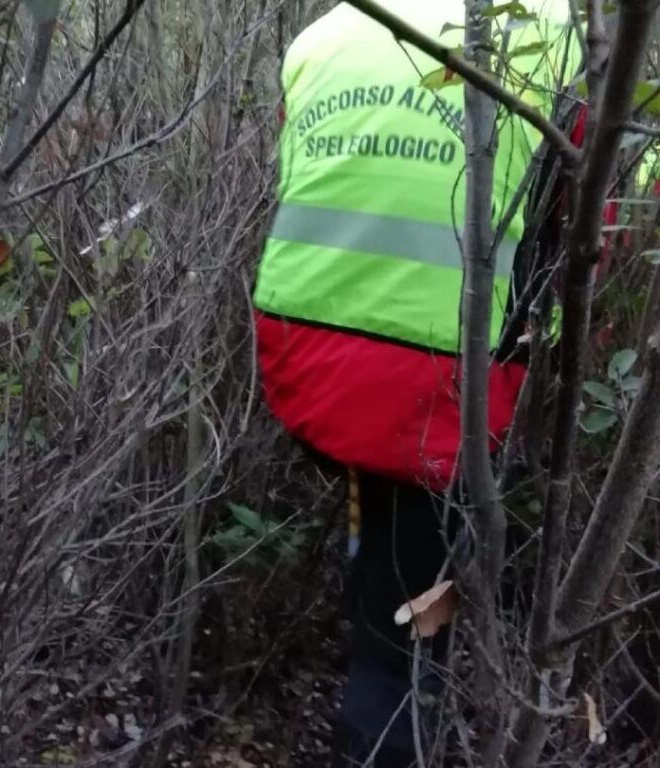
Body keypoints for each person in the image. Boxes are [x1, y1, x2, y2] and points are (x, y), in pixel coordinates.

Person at [252, 2, 579, 765]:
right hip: (447, 379)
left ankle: (399, 664)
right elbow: (599, 209)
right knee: (413, 585)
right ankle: (397, 724)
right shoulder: (560, 35)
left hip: (304, 355)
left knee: (393, 548)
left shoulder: (323, 33)